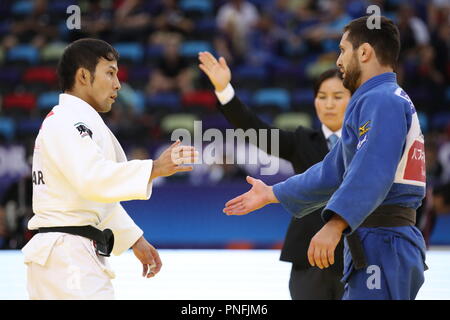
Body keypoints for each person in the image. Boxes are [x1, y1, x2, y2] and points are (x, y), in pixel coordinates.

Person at [222, 16, 427, 300]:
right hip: (376, 238)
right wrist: (272, 193)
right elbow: (333, 170)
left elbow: (373, 171)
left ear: (364, 52)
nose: (339, 61)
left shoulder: (382, 99)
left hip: (385, 238)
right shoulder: (377, 99)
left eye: (343, 50)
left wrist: (335, 223)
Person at [22, 38, 198, 300]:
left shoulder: (78, 121)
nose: (117, 84)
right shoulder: (67, 121)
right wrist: (155, 167)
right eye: (110, 73)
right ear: (83, 75)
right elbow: (93, 180)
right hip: (68, 256)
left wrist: (134, 239)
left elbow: (92, 197)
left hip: (68, 254)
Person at [199, 52, 350, 299]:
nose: (329, 104)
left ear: (354, 101)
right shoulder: (301, 140)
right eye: (322, 97)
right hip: (308, 257)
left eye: (337, 96)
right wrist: (224, 90)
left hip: (358, 254)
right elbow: (255, 130)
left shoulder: (367, 144)